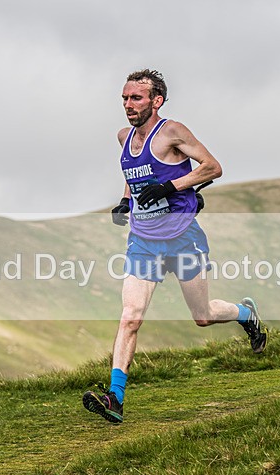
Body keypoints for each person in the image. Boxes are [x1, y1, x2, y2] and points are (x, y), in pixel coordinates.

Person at [82, 69, 267, 424]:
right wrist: (125, 202)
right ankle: (114, 398)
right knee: (130, 317)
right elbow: (133, 175)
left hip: (183, 237)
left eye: (136, 98)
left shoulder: (172, 131)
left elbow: (213, 167)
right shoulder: (123, 137)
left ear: (156, 100)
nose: (128, 105)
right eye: (124, 98)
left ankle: (247, 315)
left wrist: (171, 188)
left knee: (203, 316)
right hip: (143, 241)